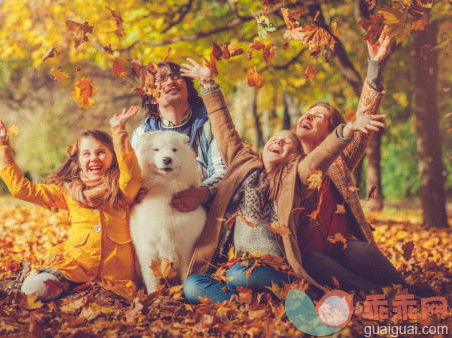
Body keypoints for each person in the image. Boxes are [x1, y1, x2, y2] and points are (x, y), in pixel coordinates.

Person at [179, 59, 386, 304]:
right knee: (193, 285)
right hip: (244, 264)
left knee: (240, 275)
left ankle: (383, 290)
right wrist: (207, 83)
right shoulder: (242, 163)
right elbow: (224, 128)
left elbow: (317, 160)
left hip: (289, 265)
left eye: (286, 142)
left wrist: (346, 131)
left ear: (294, 157)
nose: (278, 142)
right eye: (275, 138)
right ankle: (242, 303)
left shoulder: (295, 177)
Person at [0, 107, 142, 300]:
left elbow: (131, 175)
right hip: (74, 268)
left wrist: (118, 129)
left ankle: (71, 295)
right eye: (86, 154)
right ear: (79, 161)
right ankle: (35, 287)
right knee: (35, 288)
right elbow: (22, 190)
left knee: (104, 300)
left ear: (113, 156)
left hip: (115, 278)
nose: (93, 158)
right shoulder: (68, 192)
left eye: (101, 152)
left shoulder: (122, 189)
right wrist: (2, 146)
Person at [294, 27, 407, 293]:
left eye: (318, 116)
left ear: (332, 130)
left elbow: (365, 109)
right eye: (307, 113)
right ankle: (377, 293)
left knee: (359, 250)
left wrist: (376, 65)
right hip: (310, 258)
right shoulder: (288, 160)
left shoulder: (338, 161)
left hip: (343, 247)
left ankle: (404, 290)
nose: (308, 116)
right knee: (313, 261)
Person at [130, 61, 226, 212]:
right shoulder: (142, 135)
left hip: (211, 211)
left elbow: (224, 170)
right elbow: (132, 179)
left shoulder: (211, 124)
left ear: (188, 91)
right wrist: (136, 194)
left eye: (176, 76)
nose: (170, 81)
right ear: (153, 97)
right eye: (161, 79)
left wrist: (203, 193)